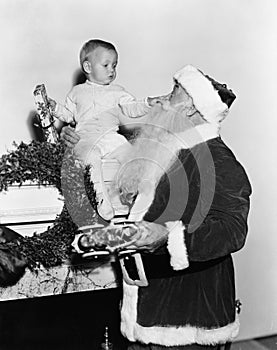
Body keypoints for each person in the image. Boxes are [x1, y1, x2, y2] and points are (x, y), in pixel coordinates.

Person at [61, 64, 252, 349]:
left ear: (190, 109)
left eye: (173, 92)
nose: (161, 99)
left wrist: (169, 237)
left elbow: (233, 230)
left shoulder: (217, 159)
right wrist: (79, 139)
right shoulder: (166, 150)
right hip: (150, 310)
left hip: (187, 319)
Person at [49, 39, 159, 220]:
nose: (112, 70)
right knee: (90, 157)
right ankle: (102, 199)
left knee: (130, 155)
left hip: (110, 136)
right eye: (106, 65)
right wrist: (54, 108)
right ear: (88, 67)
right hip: (86, 138)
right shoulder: (77, 92)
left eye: (115, 65)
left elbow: (132, 108)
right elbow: (68, 116)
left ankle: (135, 195)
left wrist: (148, 103)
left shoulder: (117, 91)